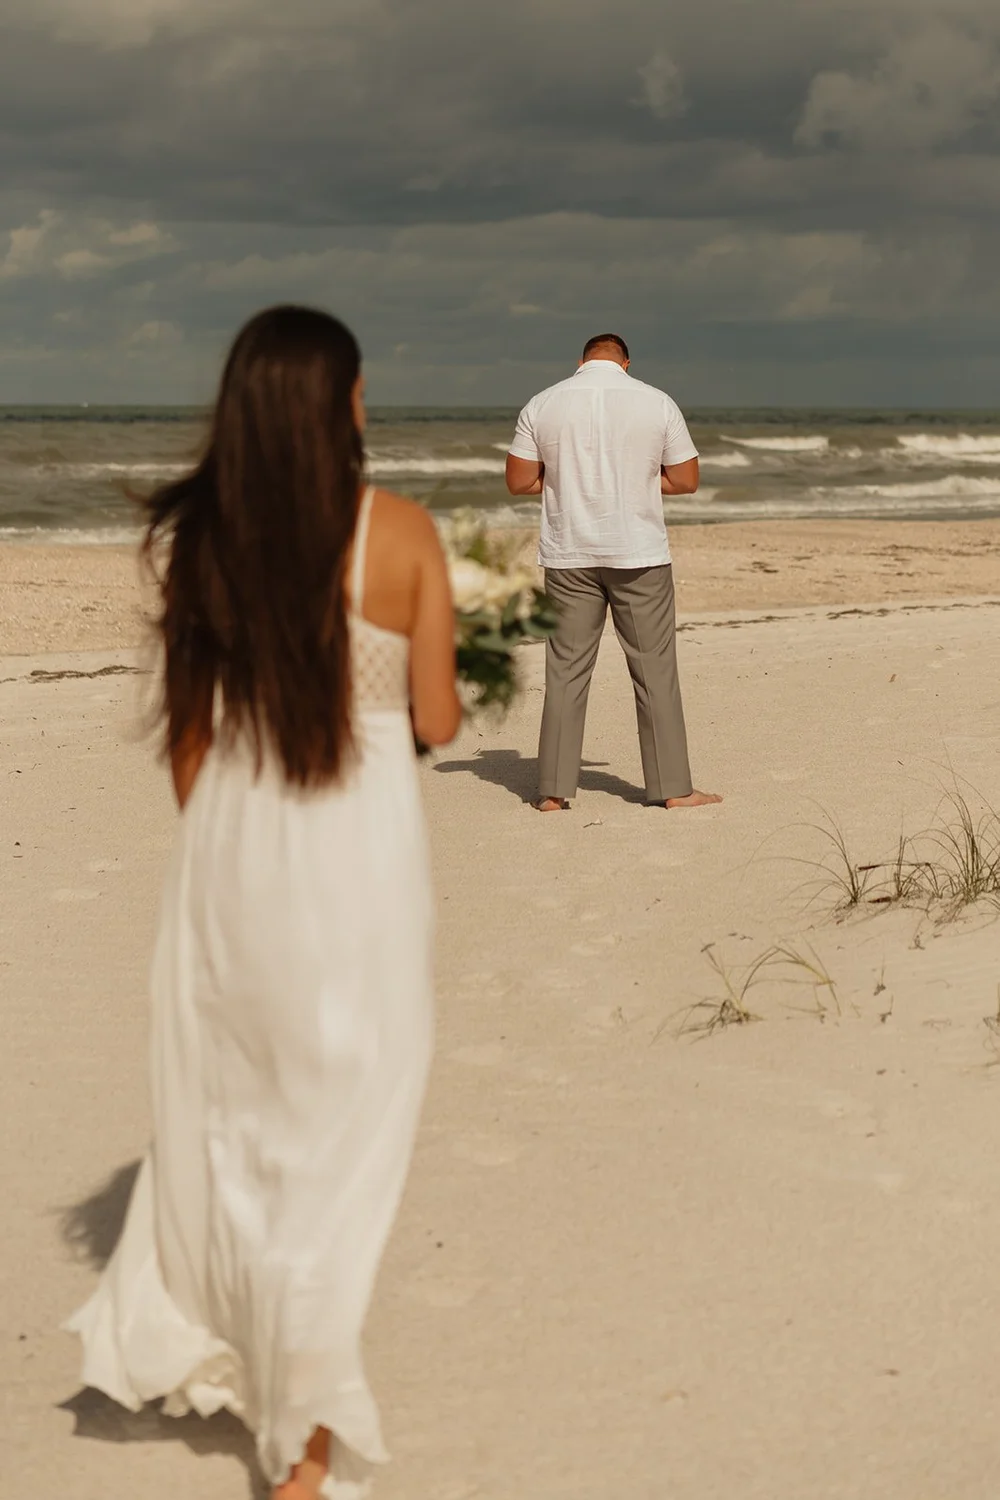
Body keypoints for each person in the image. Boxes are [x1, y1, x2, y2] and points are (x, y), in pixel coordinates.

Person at [65, 306, 462, 1500]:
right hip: (357, 856)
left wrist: (224, 849)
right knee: (350, 1124)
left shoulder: (207, 543)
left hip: (233, 855)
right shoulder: (398, 535)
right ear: (340, 405)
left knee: (240, 1110)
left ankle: (258, 1360)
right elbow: (437, 720)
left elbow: (187, 742)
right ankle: (303, 1435)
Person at [505, 333, 721, 813]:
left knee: (565, 672)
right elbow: (686, 480)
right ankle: (673, 790)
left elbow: (519, 480)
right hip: (639, 553)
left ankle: (555, 794)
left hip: (569, 555)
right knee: (654, 672)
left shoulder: (542, 403)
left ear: (580, 362)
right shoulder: (657, 401)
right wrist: (637, 483)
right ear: (626, 363)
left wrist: (562, 480)